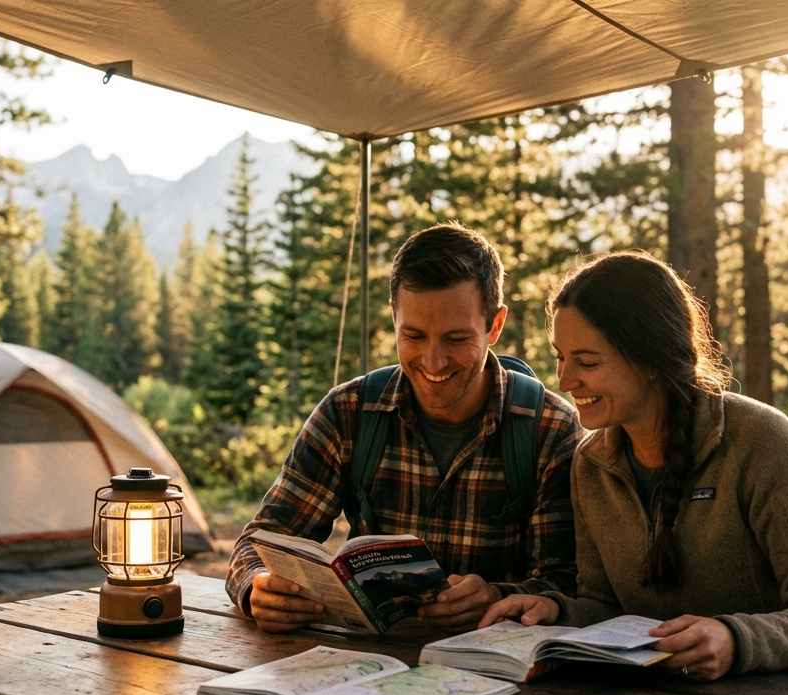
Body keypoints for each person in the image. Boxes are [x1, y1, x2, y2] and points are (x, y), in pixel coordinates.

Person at [481, 251, 788, 680]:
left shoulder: (763, 445)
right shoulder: (591, 465)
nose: (564, 380)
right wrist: (556, 610)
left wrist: (735, 639)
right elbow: (607, 608)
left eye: (587, 362)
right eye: (560, 357)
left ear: (651, 360)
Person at [225, 223, 584, 633]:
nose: (433, 361)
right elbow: (260, 542)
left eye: (456, 339)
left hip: (497, 662)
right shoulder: (348, 412)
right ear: (394, 317)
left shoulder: (550, 431)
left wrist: (498, 596)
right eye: (413, 335)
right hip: (370, 656)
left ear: (495, 325)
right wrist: (258, 587)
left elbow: (571, 583)